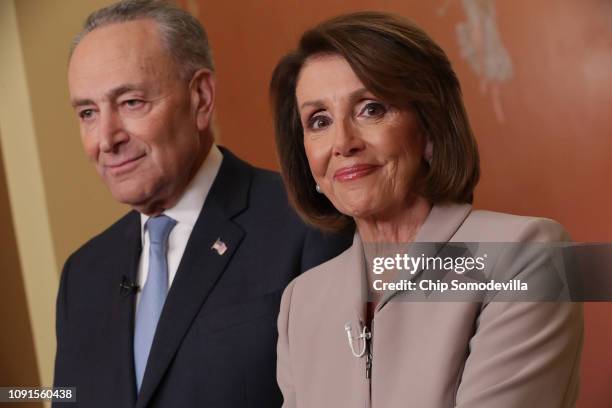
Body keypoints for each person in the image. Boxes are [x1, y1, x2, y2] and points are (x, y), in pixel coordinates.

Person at [270, 11, 583, 407]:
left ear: (430, 126)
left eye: (371, 108)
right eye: (319, 120)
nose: (342, 142)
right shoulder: (301, 301)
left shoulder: (529, 256)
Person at [53, 1, 351, 407]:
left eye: (131, 103)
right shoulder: (82, 275)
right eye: (88, 112)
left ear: (200, 97)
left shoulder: (308, 221)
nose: (106, 139)